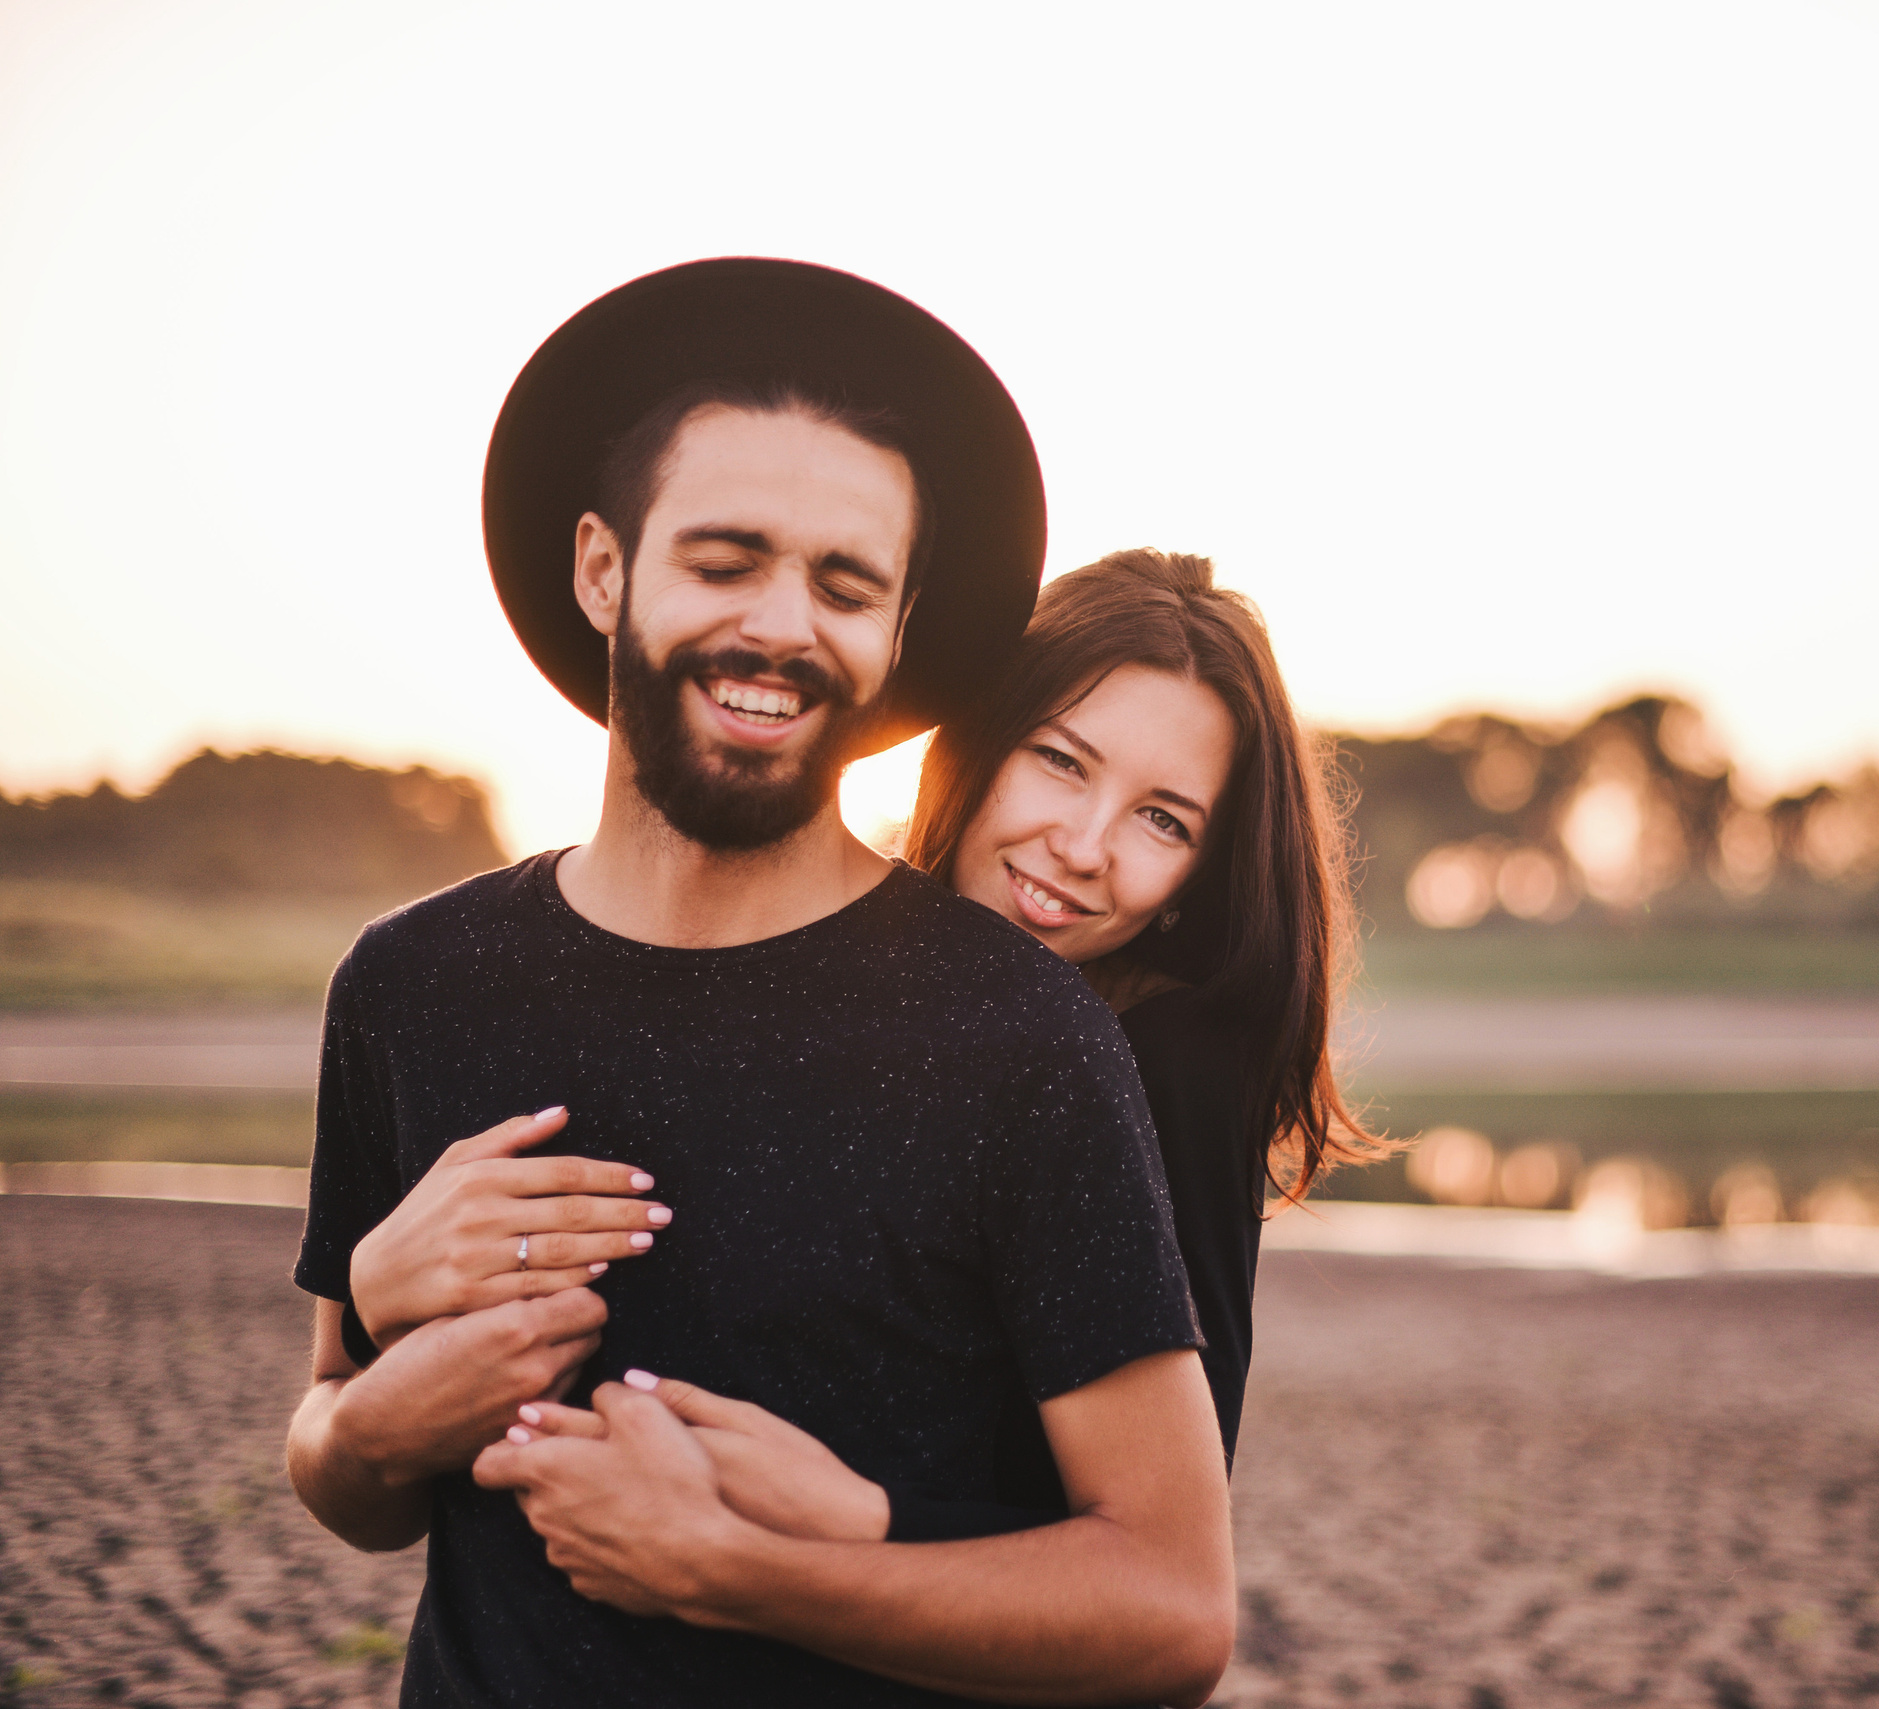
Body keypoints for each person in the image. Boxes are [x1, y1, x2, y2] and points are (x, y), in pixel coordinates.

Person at [284, 258, 1235, 1708]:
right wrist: (366, 1430)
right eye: (727, 559)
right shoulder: (411, 983)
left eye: (845, 584)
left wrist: (729, 1567)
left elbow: (1171, 1608)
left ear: (898, 627)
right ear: (605, 567)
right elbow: (349, 1465)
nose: (785, 626)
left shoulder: (1025, 1041)